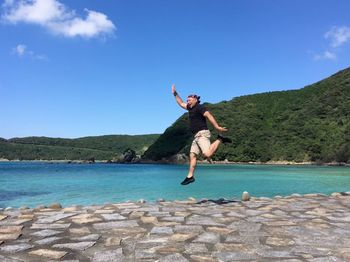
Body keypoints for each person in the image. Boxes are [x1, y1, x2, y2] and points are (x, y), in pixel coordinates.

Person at [171, 85, 232, 185]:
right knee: (192, 155)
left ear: (195, 99)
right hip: (196, 136)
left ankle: (220, 139)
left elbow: (209, 116)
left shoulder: (200, 107)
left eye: (189, 100)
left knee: (207, 154)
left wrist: (217, 127)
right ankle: (190, 176)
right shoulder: (190, 108)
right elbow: (181, 103)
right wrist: (175, 94)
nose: (188, 102)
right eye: (188, 100)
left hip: (203, 134)